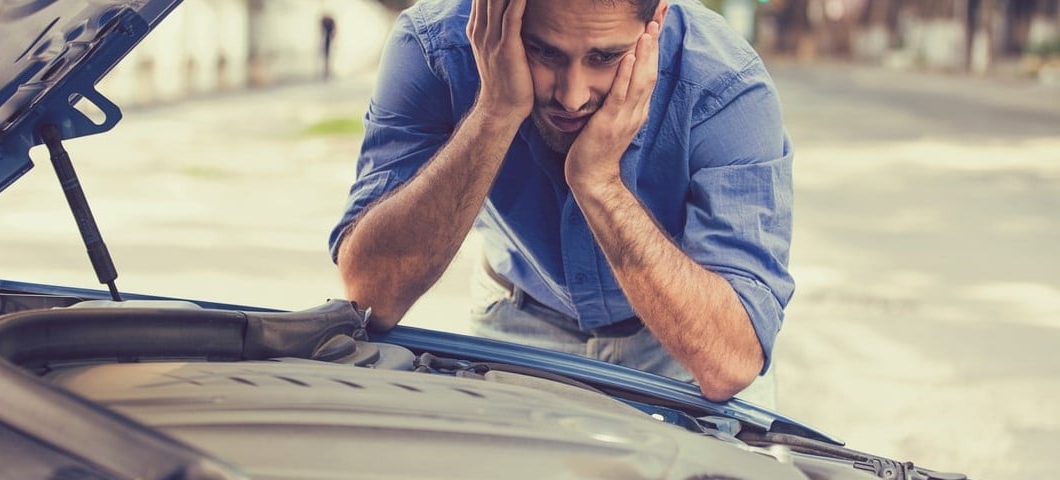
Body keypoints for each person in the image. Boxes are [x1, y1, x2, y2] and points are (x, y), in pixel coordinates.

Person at [329, 0, 793, 407]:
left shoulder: (725, 84)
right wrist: (494, 112)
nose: (572, 97)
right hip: (517, 316)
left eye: (605, 57)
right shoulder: (434, 48)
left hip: (677, 338)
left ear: (657, 18)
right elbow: (369, 297)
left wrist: (600, 184)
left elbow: (729, 362)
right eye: (544, 51)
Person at [320, 13, 337, 80]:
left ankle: (328, 70)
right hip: (326, 40)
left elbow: (334, 30)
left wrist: (333, 36)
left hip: (329, 40)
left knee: (328, 56)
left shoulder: (329, 21)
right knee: (326, 56)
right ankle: (326, 70)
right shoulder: (324, 21)